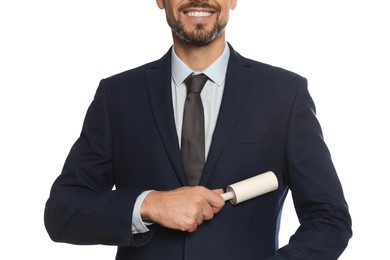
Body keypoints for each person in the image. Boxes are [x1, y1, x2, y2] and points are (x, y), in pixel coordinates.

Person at [44, 0, 352, 259]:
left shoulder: (284, 93)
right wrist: (150, 204)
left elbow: (330, 218)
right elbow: (62, 212)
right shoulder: (118, 95)